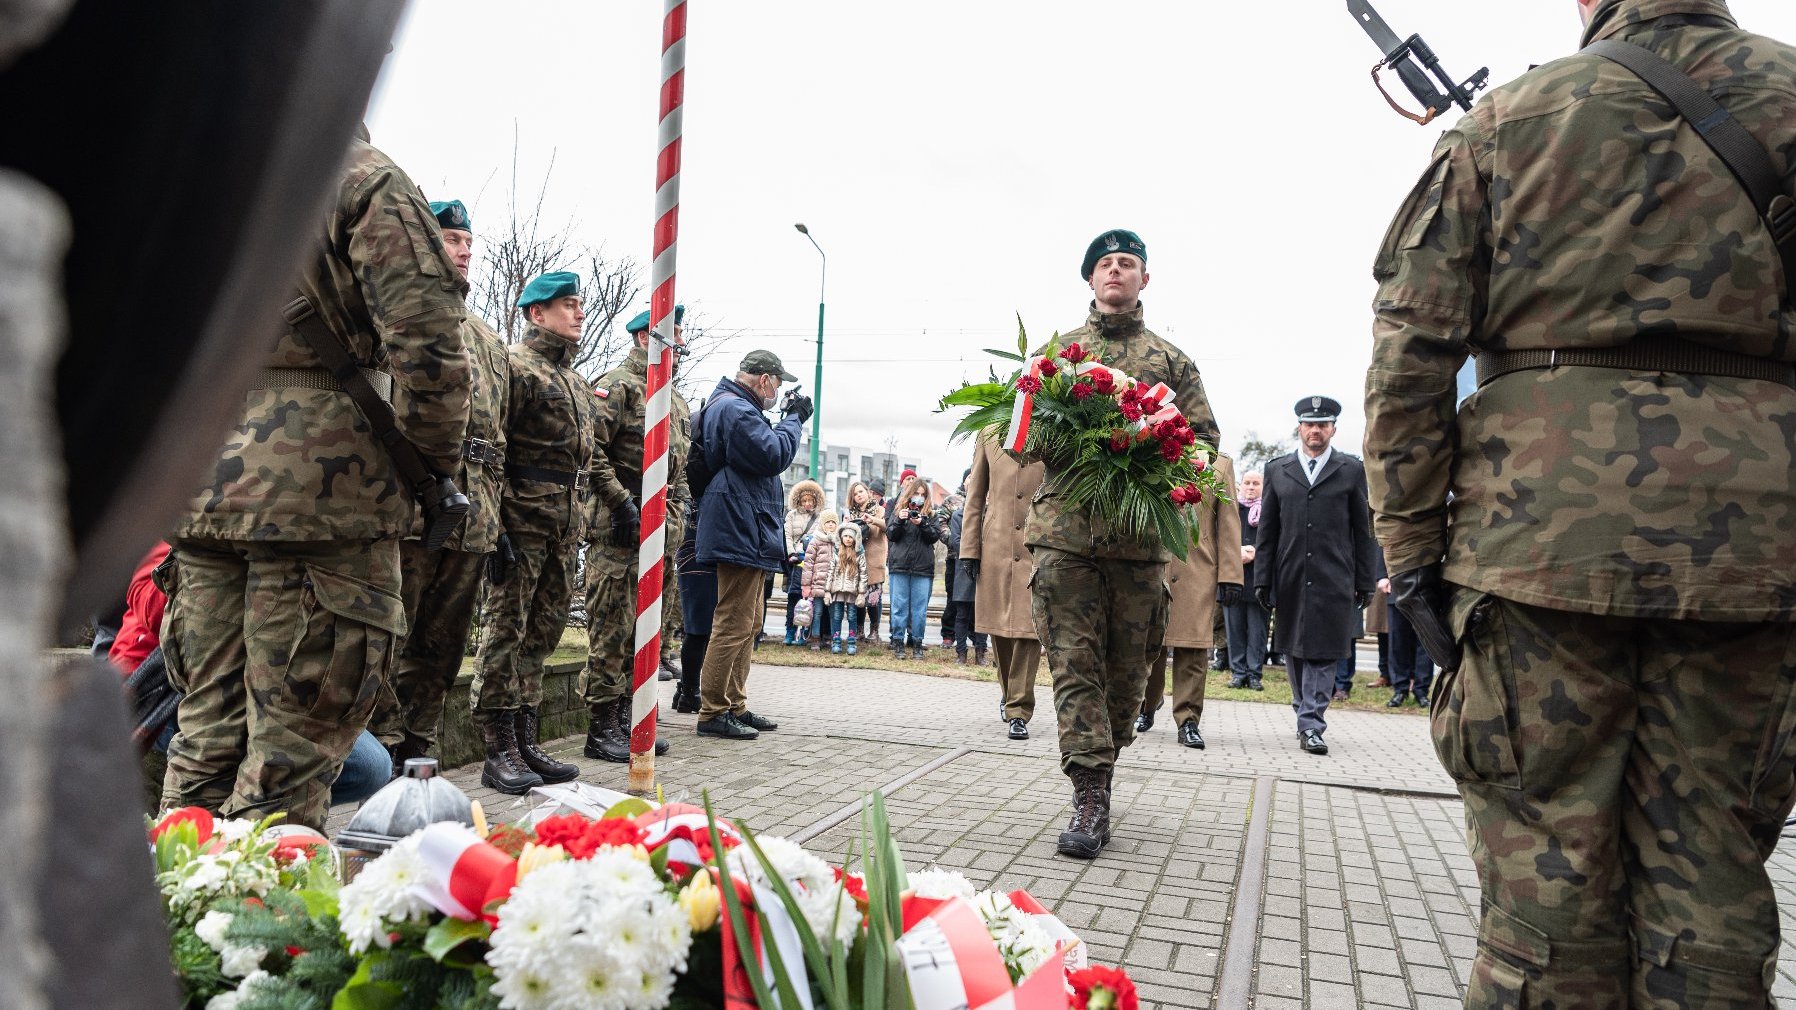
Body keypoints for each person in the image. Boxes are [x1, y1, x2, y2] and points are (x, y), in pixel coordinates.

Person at [1364, 1, 1796, 1002]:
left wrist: (1415, 551)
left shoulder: (1511, 118)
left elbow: (1407, 362)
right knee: (1715, 890)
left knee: (1542, 896)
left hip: (1536, 555)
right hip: (1757, 560)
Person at [158, 129, 470, 833]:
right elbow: (429, 349)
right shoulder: (363, 179)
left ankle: (172, 923)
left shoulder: (201, 177)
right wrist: (426, 474)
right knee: (288, 763)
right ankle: (259, 932)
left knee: (203, 743)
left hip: (200, 485)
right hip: (325, 503)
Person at [1030, 229, 1219, 859]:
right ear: (1090, 279)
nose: (1116, 270)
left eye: (1127, 263)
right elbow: (1022, 434)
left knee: (1128, 678)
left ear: (1144, 279)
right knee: (1072, 662)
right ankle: (1090, 794)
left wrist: (1163, 461)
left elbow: (1204, 443)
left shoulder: (1171, 362)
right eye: (1105, 264)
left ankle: (1102, 757)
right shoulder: (1059, 355)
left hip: (1139, 545)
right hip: (1066, 538)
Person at [366, 199, 511, 773]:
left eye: (468, 243)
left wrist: (497, 523)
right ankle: (377, 761)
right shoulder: (393, 318)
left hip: (474, 518)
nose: (463, 251)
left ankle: (417, 756)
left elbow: (500, 439)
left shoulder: (488, 340)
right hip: (412, 509)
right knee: (388, 639)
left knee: (443, 648)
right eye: (451, 239)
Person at [469, 271, 596, 793]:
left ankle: (524, 741)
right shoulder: (515, 368)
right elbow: (491, 449)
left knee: (541, 636)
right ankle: (498, 749)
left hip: (561, 531)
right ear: (535, 313)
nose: (579, 314)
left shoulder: (574, 379)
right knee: (506, 631)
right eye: (568, 305)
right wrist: (492, 526)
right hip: (519, 526)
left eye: (579, 305)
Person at [578, 304, 691, 764]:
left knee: (645, 633)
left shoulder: (673, 398)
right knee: (613, 630)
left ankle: (628, 718)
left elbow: (680, 465)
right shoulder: (619, 386)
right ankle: (601, 726)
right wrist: (621, 501)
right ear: (646, 338)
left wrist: (678, 507)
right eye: (671, 337)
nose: (679, 347)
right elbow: (591, 449)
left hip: (661, 532)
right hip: (620, 531)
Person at [693, 350, 808, 739]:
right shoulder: (735, 409)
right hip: (738, 525)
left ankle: (734, 704)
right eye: (778, 383)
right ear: (764, 380)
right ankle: (712, 710)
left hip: (746, 525)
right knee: (733, 621)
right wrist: (793, 420)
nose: (778, 391)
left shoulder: (734, 407)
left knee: (749, 621)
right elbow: (773, 453)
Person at [1254, 397, 1374, 757]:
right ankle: (1304, 711)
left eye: (1323, 424)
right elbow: (1267, 532)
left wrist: (1365, 581)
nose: (1315, 430)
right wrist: (1263, 579)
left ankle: (1311, 723)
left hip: (1334, 576)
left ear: (1333, 428)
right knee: (1294, 650)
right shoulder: (1278, 469)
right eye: (1309, 424)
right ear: (1300, 428)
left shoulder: (1351, 469)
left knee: (1323, 653)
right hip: (1289, 575)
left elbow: (1363, 530)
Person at [1137, 455, 1244, 750]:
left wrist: (1231, 576)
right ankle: (1146, 705)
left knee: (1194, 648)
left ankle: (1188, 720)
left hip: (1199, 567)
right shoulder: (1148, 445)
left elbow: (1229, 520)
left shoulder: (1219, 463)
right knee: (1149, 644)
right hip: (1152, 563)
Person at [960, 437, 1044, 739]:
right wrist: (969, 548)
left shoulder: (1053, 423)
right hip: (996, 543)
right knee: (1000, 627)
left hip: (1039, 545)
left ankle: (1019, 710)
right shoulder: (989, 431)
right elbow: (976, 494)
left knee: (1029, 629)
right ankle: (1010, 695)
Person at [885, 474, 941, 659]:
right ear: (909, 494)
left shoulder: (932, 514)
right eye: (915, 493)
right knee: (899, 607)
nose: (918, 497)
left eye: (922, 494)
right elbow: (891, 535)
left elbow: (934, 536)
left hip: (922, 569)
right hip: (900, 566)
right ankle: (898, 642)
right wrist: (900, 520)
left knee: (919, 610)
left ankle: (917, 643)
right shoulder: (897, 511)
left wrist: (922, 523)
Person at [1223, 470, 1267, 690]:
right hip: (1233, 578)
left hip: (1259, 579)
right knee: (1234, 628)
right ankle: (1238, 673)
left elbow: (1276, 542)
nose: (1251, 487)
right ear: (1240, 486)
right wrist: (1235, 553)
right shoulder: (1231, 510)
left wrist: (1256, 552)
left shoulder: (1269, 511)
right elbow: (1220, 537)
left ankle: (1254, 674)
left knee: (1258, 631)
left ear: (1262, 486)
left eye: (1256, 483)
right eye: (1247, 483)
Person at [844, 479, 889, 644]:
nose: (858, 495)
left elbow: (887, 527)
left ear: (868, 492)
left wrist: (873, 520)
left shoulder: (880, 510)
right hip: (856, 561)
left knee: (874, 600)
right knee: (859, 599)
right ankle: (859, 630)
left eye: (861, 491)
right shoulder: (850, 513)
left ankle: (874, 631)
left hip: (874, 560)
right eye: (855, 494)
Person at [782, 479, 825, 645]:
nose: (807, 503)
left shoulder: (819, 517)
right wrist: (791, 552)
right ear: (799, 500)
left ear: (815, 501)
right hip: (795, 561)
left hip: (812, 561)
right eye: (804, 500)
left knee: (808, 600)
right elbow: (787, 535)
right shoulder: (791, 515)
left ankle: (804, 633)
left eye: (810, 500)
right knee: (794, 598)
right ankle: (790, 631)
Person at [821, 522, 868, 654]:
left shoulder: (859, 555)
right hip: (837, 591)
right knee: (836, 615)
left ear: (855, 539)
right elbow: (830, 572)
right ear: (841, 537)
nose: (847, 539)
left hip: (852, 592)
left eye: (850, 537)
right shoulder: (836, 553)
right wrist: (827, 591)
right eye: (845, 536)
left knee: (852, 616)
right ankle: (836, 641)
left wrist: (861, 593)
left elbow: (863, 574)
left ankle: (851, 642)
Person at [799, 509, 840, 649]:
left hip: (834, 586)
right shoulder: (815, 541)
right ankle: (815, 638)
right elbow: (808, 565)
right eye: (827, 522)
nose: (830, 525)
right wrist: (806, 585)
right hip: (818, 585)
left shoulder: (839, 541)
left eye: (833, 522)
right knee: (817, 613)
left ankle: (834, 639)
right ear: (822, 524)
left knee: (834, 614)